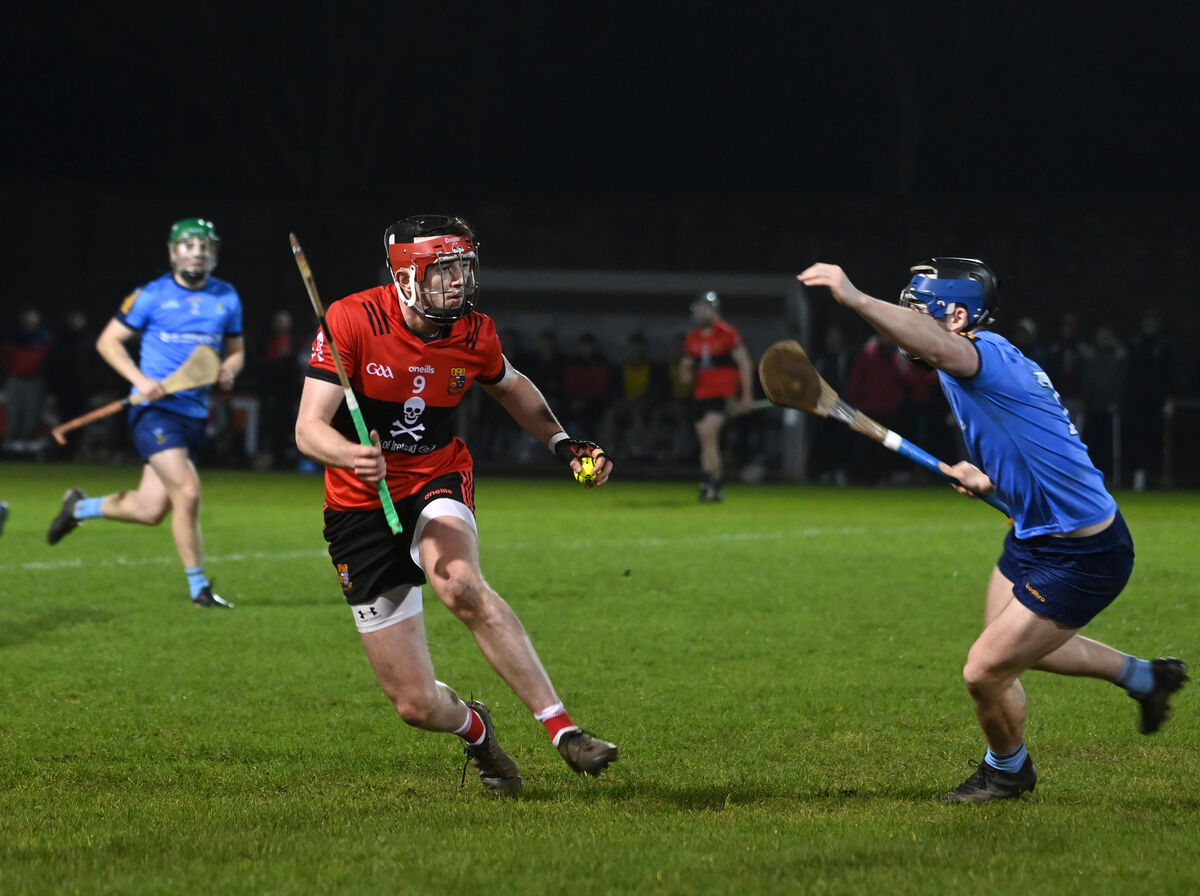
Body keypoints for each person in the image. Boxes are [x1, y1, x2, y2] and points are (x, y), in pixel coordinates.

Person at [798, 257, 1188, 805]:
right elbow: (1033, 440)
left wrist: (854, 296)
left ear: (957, 317)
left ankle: (1008, 772)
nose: (905, 324)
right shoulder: (976, 363)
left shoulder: (979, 355)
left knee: (983, 671)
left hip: (1083, 552)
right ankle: (1146, 679)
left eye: (919, 313)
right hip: (1032, 534)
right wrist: (987, 478)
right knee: (1017, 657)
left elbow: (936, 347)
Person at [294, 215, 618, 795]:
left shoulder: (475, 332)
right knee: (416, 705)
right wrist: (349, 454)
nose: (459, 283)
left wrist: (563, 443)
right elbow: (307, 429)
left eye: (464, 269)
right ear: (406, 279)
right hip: (358, 508)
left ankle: (564, 730)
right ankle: (476, 730)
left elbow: (512, 386)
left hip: (434, 476)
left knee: (461, 583)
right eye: (443, 271)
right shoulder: (350, 319)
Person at [46, 218, 245, 609]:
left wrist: (228, 370)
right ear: (173, 253)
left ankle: (78, 508)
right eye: (188, 245)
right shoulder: (151, 295)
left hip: (193, 413)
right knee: (187, 494)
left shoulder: (227, 297)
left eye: (203, 246)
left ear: (213, 253)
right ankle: (199, 589)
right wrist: (140, 379)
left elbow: (236, 351)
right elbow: (108, 342)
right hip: (154, 411)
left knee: (150, 508)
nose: (196, 252)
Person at [678, 291, 753, 502]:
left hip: (723, 395)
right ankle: (714, 483)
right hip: (701, 395)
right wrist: (684, 369)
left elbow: (744, 364)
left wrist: (746, 395)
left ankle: (709, 482)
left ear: (713, 310)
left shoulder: (727, 334)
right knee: (706, 440)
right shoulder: (692, 338)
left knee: (708, 433)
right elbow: (686, 379)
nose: (700, 313)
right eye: (698, 310)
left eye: (704, 309)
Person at [1, 306, 54, 454]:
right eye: (28, 318)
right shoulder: (14, 337)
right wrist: (11, 372)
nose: (30, 322)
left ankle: (28, 448)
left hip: (35, 381)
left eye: (33, 318)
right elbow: (5, 358)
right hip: (16, 379)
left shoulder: (45, 339)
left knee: (32, 415)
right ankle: (9, 447)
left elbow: (50, 361)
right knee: (13, 414)